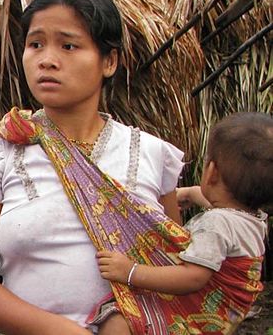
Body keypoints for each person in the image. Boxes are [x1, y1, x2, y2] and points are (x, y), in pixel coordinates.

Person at [0, 0, 185, 334]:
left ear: (108, 61)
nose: (46, 59)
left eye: (68, 45)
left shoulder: (153, 156)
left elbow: (174, 271)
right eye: (35, 44)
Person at [97, 112, 272, 335]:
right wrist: (189, 193)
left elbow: (193, 277)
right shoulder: (252, 219)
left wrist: (130, 271)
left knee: (118, 321)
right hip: (230, 316)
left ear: (211, 172)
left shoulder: (216, 224)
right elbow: (220, 206)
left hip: (199, 318)